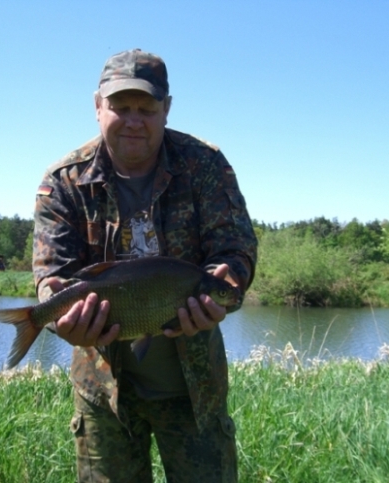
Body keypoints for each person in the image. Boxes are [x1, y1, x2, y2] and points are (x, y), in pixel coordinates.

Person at [33, 49, 258, 482]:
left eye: (147, 109)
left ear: (166, 109)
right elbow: (52, 274)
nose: (134, 121)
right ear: (98, 106)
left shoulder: (204, 164)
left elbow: (236, 247)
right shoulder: (64, 181)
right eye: (121, 107)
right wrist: (57, 316)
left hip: (195, 390)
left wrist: (226, 282)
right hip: (102, 393)